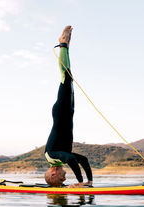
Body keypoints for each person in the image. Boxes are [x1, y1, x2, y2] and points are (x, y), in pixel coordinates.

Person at [44, 26, 93, 188]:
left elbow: (71, 159)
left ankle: (63, 44)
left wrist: (79, 183)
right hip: (68, 111)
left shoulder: (52, 156)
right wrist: (89, 182)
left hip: (61, 112)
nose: (65, 180)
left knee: (66, 76)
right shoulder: (60, 158)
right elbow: (82, 160)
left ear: (53, 173)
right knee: (69, 78)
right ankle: (66, 47)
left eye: (60, 180)